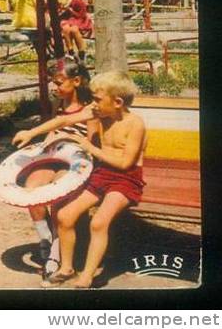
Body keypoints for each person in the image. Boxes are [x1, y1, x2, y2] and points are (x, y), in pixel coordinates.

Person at [17, 71, 146, 289]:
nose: (93, 104)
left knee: (98, 222)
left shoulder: (135, 124)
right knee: (66, 216)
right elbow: (64, 119)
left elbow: (125, 164)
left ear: (117, 102)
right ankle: (66, 268)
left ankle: (86, 276)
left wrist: (89, 147)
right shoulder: (99, 113)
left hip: (125, 180)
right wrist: (32, 132)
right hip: (103, 174)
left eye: (97, 99)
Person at [10, 58, 93, 280]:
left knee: (57, 196)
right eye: (53, 83)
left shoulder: (90, 108)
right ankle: (46, 240)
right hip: (55, 155)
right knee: (32, 189)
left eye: (59, 83)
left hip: (77, 161)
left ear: (76, 81)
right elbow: (54, 129)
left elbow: (91, 143)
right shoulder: (58, 105)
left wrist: (68, 137)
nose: (55, 88)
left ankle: (55, 256)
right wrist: (41, 145)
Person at [59, 0, 93, 64]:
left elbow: (82, 15)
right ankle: (70, 51)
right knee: (65, 29)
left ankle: (82, 52)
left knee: (74, 30)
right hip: (69, 18)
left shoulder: (78, 1)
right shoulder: (62, 0)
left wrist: (71, 11)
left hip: (80, 19)